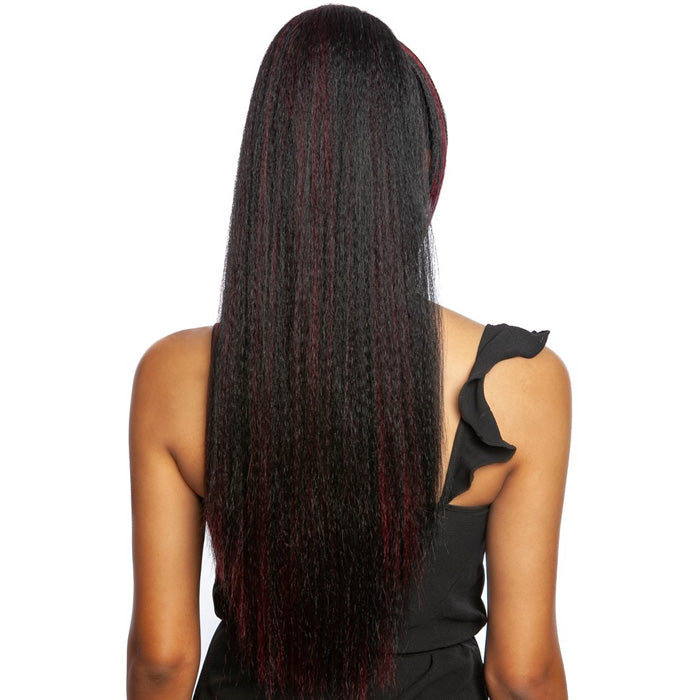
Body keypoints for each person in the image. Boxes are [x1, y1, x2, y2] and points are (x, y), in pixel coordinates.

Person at [127, 5, 571, 699]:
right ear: (413, 171)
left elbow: (162, 660)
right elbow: (523, 674)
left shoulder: (173, 376)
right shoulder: (520, 383)